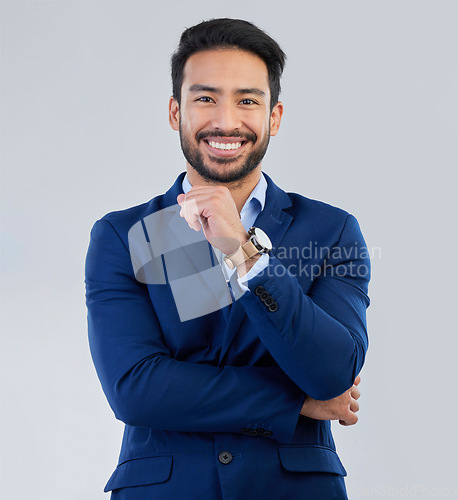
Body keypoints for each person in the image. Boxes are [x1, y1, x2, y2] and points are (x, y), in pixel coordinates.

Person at [85, 17, 370, 500]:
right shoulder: (123, 234)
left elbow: (332, 372)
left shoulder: (332, 230)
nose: (225, 121)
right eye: (205, 98)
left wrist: (245, 250)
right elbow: (136, 388)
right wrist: (297, 401)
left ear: (273, 117)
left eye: (247, 101)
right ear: (176, 112)